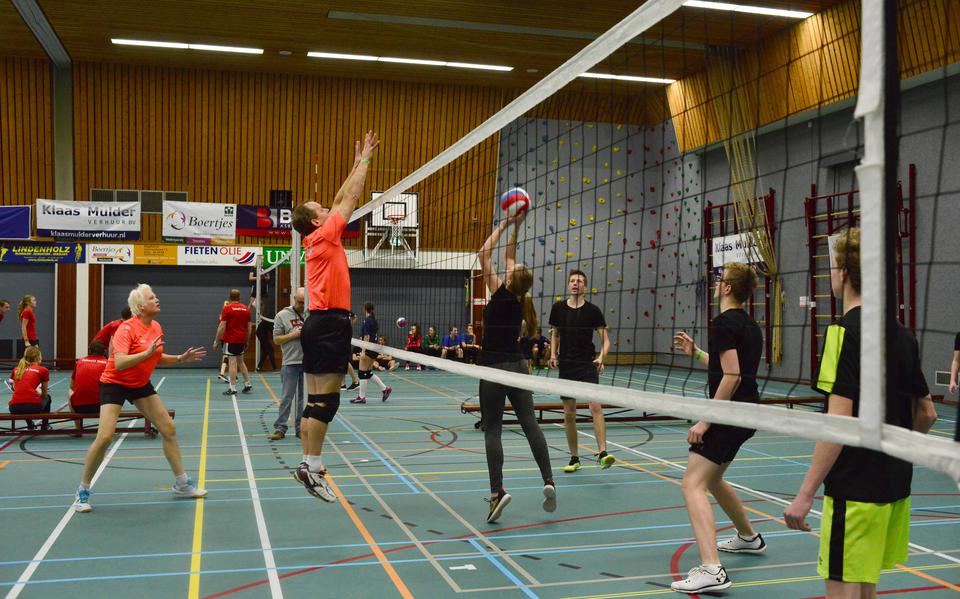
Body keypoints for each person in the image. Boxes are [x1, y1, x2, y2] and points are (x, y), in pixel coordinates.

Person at [784, 228, 938, 598]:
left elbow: (839, 422)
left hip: (853, 490)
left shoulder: (841, 334)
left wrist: (805, 495)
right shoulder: (904, 335)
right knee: (866, 588)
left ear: (844, 273)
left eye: (832, 266)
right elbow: (928, 413)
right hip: (894, 488)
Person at [289, 129, 378, 503]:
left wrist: (356, 162)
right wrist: (368, 160)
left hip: (318, 323)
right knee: (327, 402)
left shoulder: (317, 236)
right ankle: (312, 466)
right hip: (329, 323)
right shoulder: (325, 235)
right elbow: (352, 197)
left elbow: (342, 198)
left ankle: (308, 464)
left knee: (314, 402)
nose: (328, 208)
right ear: (314, 221)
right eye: (321, 210)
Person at [669, 262, 765, 594]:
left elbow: (733, 376)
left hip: (727, 416)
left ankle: (712, 568)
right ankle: (749, 538)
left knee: (692, 484)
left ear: (726, 288)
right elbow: (731, 367)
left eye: (719, 280)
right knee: (714, 479)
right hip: (747, 415)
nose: (716, 284)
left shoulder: (723, 322)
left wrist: (706, 419)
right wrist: (696, 352)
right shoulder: (751, 325)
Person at [72, 283, 207, 512]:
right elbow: (121, 361)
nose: (157, 299)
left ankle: (182, 484)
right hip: (114, 383)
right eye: (152, 297)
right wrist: (145, 353)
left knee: (169, 429)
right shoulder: (126, 328)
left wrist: (180, 358)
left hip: (139, 384)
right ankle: (82, 492)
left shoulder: (155, 326)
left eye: (156, 296)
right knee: (105, 436)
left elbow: (157, 356)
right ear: (140, 306)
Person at [477, 211, 555, 524]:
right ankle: (548, 479)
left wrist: (504, 225)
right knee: (529, 423)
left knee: (493, 429)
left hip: (494, 367)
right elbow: (510, 257)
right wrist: (518, 226)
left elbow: (484, 254)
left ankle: (497, 492)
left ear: (509, 278)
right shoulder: (522, 299)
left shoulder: (498, 292)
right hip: (519, 366)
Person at [549, 270, 613, 472]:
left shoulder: (593, 311)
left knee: (596, 407)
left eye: (580, 281)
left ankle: (603, 453)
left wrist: (601, 357)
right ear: (568, 285)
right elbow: (555, 335)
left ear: (585, 287)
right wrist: (553, 354)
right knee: (569, 413)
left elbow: (606, 341)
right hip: (567, 365)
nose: (576, 283)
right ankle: (574, 458)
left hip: (587, 365)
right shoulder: (558, 308)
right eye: (573, 281)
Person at [270, 287, 306, 440]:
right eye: (299, 302)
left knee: (303, 399)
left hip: (308, 362)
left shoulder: (312, 314)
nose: (302, 306)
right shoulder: (282, 315)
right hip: (290, 362)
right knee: (286, 397)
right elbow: (277, 339)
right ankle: (280, 428)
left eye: (305, 303)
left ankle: (300, 428)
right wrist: (294, 335)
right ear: (294, 299)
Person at [214, 289, 253, 396]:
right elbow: (249, 327)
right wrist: (247, 340)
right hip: (241, 340)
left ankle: (233, 388)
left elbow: (222, 326)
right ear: (239, 297)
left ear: (230, 297)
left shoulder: (227, 308)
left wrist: (216, 340)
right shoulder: (246, 309)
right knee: (241, 361)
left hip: (230, 340)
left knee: (232, 362)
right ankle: (247, 383)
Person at [351, 302, 392, 404]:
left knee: (362, 373)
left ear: (365, 309)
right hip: (374, 348)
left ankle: (361, 397)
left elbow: (367, 337)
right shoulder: (373, 320)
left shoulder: (367, 320)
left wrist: (363, 351)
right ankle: (385, 389)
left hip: (369, 349)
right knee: (368, 373)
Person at [69, 340, 109, 435]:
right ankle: (107, 428)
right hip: (100, 407)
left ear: (89, 350)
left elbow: (72, 386)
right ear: (104, 352)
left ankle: (78, 429)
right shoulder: (107, 363)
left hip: (79, 407)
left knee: (70, 392)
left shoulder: (79, 362)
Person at [8, 346, 51, 430]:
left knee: (24, 400)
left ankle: (30, 425)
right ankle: (45, 425)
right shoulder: (43, 370)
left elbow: (17, 389)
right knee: (48, 398)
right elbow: (44, 394)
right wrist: (38, 392)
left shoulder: (17, 369)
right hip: (33, 407)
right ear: (37, 358)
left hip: (14, 408)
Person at [256, 300, 277, 371]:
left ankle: (259, 367)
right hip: (261, 334)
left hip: (262, 333)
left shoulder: (271, 318)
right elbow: (272, 331)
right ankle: (274, 368)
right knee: (270, 350)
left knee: (265, 351)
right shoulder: (271, 319)